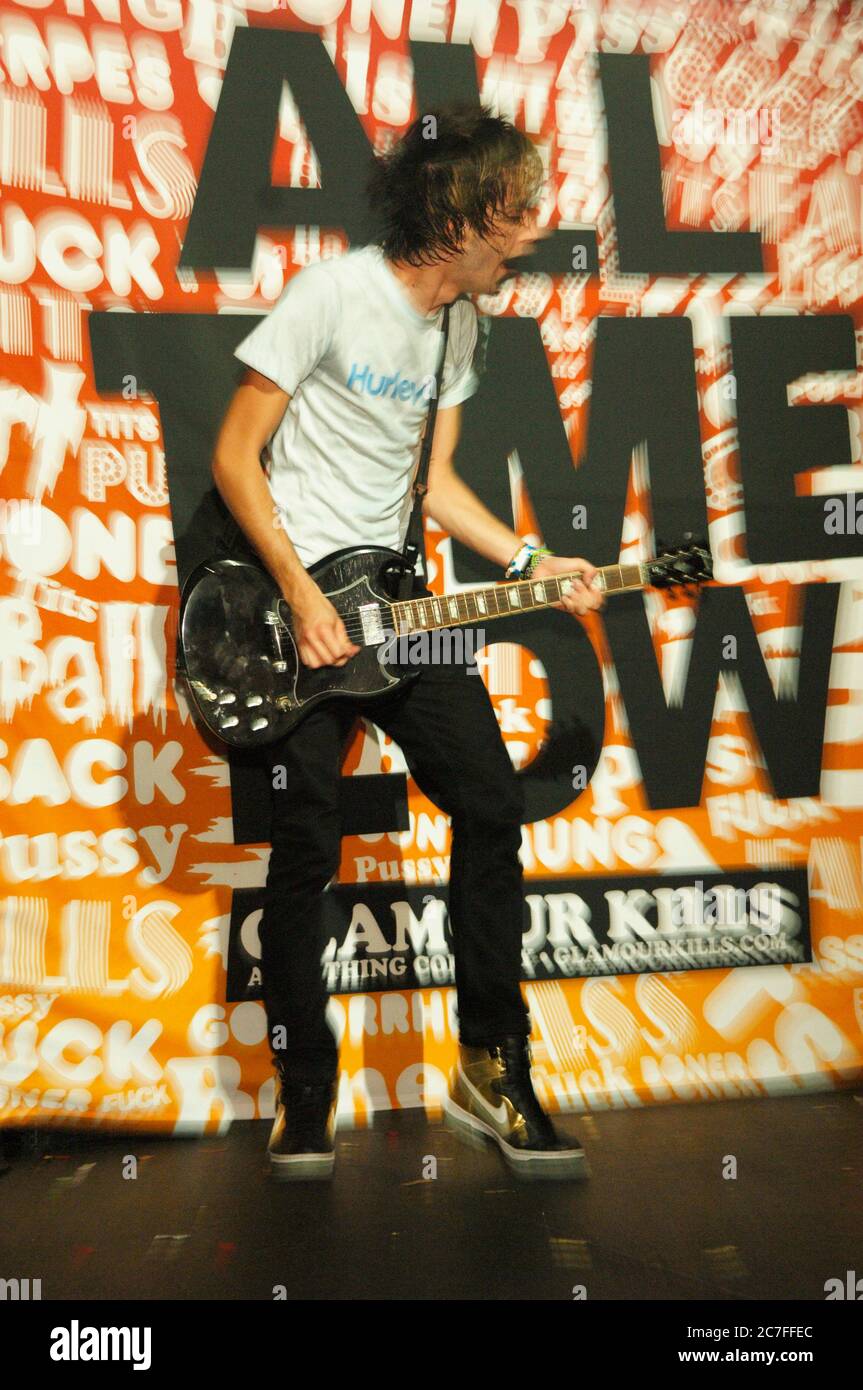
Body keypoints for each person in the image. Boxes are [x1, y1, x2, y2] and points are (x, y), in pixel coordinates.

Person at [211, 102, 604, 1181]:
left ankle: (491, 1066)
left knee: (489, 801)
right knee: (304, 850)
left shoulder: (459, 330)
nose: (531, 236)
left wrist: (530, 564)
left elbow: (430, 485)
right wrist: (296, 590)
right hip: (292, 614)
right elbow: (236, 458)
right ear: (464, 214)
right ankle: (306, 1088)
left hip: (397, 612)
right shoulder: (332, 295)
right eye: (517, 216)